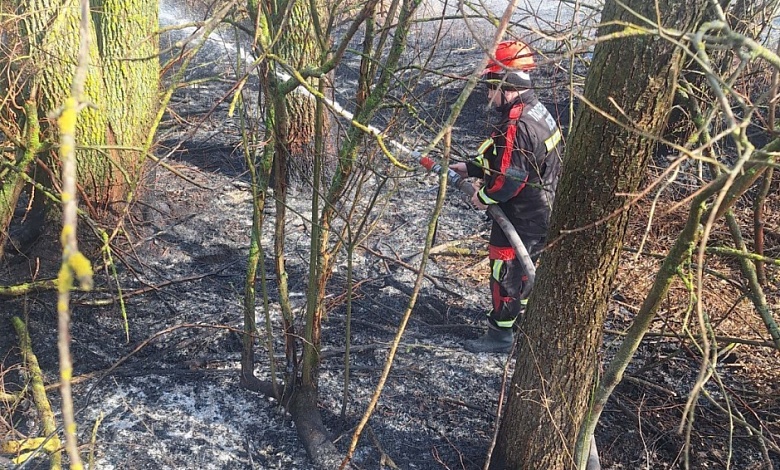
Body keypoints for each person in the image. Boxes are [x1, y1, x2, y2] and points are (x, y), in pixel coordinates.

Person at [450, 40, 563, 353]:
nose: (489, 96)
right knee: (524, 272)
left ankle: (499, 336)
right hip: (541, 209)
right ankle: (519, 321)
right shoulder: (536, 111)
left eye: (491, 87)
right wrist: (472, 167)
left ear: (505, 83)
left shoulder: (517, 124)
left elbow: (509, 179)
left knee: (506, 273)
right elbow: (512, 158)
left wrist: (484, 196)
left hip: (520, 216)